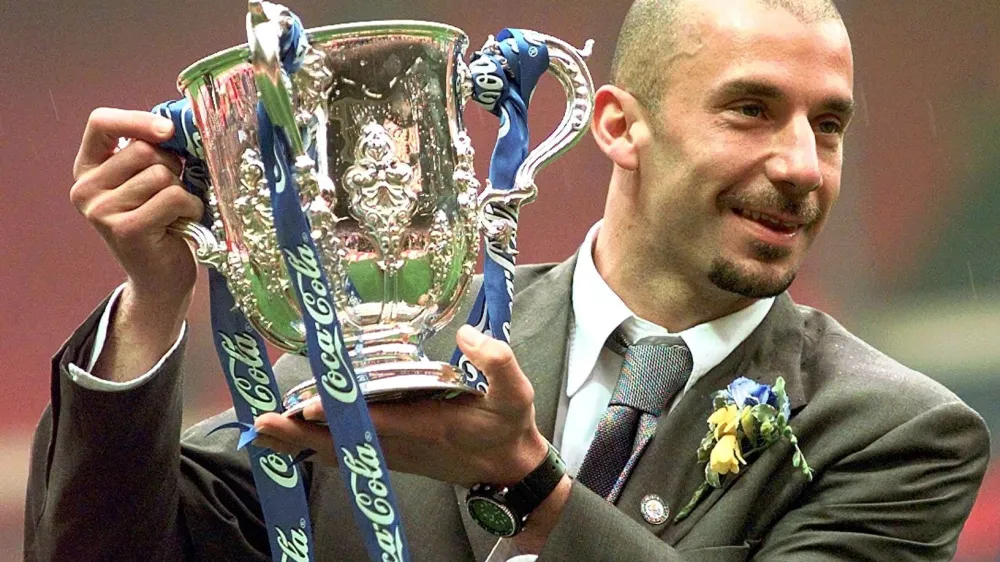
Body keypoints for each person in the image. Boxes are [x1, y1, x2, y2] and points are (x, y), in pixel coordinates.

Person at [25, 0, 991, 560]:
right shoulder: (380, 358)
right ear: (615, 125)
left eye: (828, 125)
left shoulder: (897, 432)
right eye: (751, 109)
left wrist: (528, 486)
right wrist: (154, 300)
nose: (802, 165)